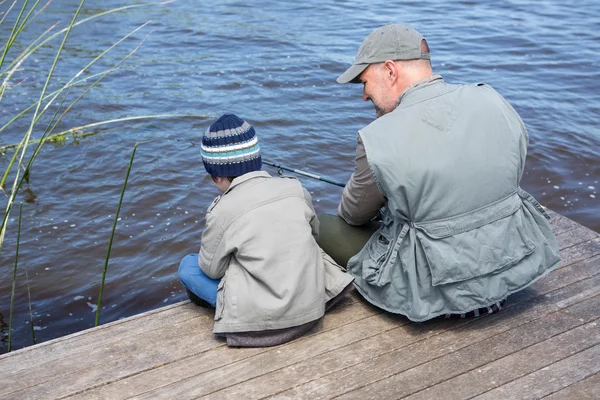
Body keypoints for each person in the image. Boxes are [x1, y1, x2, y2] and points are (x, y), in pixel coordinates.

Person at [317, 23, 561, 322]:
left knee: (325, 225)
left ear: (390, 71)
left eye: (365, 82)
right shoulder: (492, 99)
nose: (364, 96)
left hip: (436, 288)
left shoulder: (377, 137)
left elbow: (353, 215)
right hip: (512, 261)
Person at [178, 113, 354, 347]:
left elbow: (211, 270)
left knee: (188, 266)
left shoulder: (222, 210)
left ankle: (231, 313)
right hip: (310, 307)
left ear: (217, 176)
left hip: (263, 322)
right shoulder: (295, 187)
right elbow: (313, 235)